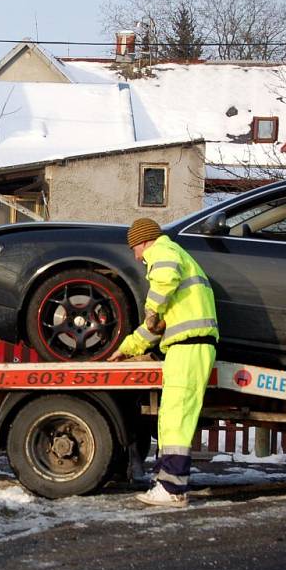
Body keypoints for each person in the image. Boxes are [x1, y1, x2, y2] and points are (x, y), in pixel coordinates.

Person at [108, 218, 218, 508]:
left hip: (190, 347)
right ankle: (168, 485)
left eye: (135, 248)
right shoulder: (176, 266)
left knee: (177, 419)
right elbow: (154, 329)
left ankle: (173, 489)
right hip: (185, 347)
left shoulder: (164, 251)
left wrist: (151, 307)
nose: (136, 256)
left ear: (145, 241)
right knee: (171, 419)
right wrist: (126, 349)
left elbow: (164, 279)